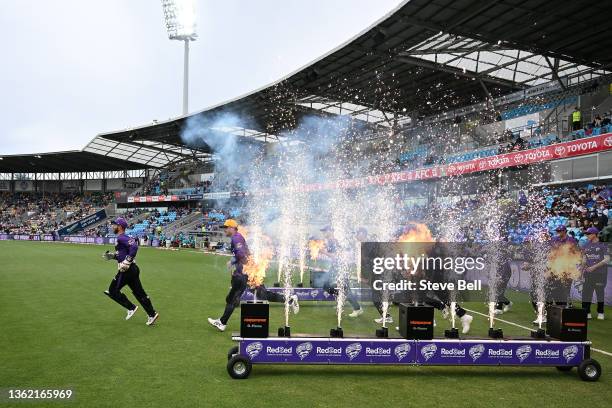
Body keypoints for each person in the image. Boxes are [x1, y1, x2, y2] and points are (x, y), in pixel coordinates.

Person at [207, 219, 298, 332]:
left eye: (225, 227)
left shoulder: (236, 238)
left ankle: (222, 322)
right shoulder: (237, 237)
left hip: (244, 273)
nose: (224, 230)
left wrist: (233, 262)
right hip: (249, 271)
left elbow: (241, 254)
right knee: (262, 294)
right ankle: (289, 300)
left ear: (231, 228)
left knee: (233, 298)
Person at [102, 217, 159, 326]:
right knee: (139, 293)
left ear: (119, 227)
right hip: (133, 269)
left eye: (114, 225)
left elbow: (134, 246)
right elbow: (123, 253)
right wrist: (113, 256)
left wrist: (127, 262)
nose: (112, 226)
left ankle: (131, 308)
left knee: (112, 291)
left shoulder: (121, 238)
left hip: (126, 270)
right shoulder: (123, 238)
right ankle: (152, 314)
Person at [318, 225, 363, 317]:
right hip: (336, 267)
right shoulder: (331, 241)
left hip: (340, 267)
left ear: (331, 231)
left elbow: (336, 256)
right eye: (323, 231)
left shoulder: (333, 241)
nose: (323, 233)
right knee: (327, 285)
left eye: (325, 231)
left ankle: (357, 308)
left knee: (345, 288)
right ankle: (342, 300)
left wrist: (324, 252)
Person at [581, 227, 610, 320]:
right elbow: (584, 258)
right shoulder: (586, 245)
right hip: (588, 273)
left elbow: (607, 259)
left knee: (600, 293)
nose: (587, 235)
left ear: (594, 234)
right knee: (586, 293)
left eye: (589, 234)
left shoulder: (603, 245)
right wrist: (585, 265)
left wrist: (594, 267)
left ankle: (600, 312)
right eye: (587, 234)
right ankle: (587, 312)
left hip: (600, 274)